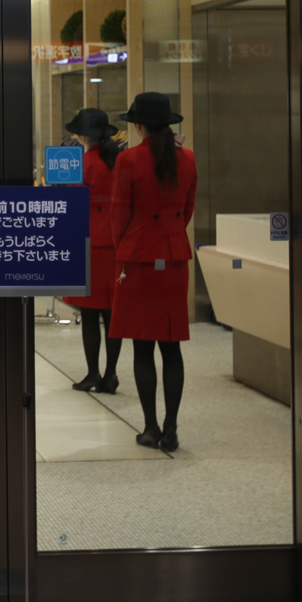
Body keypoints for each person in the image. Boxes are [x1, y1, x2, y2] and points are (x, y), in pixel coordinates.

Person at [110, 92, 197, 453]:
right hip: (174, 258)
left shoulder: (128, 160)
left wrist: (126, 248)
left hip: (140, 257)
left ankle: (149, 428)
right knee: (171, 346)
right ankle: (172, 430)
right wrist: (170, 237)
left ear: (138, 125)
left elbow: (119, 215)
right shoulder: (187, 159)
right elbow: (188, 209)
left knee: (143, 346)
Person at [60, 109, 122, 394]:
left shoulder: (83, 163)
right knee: (112, 313)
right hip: (115, 242)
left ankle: (93, 373)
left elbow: (73, 204)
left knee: (88, 314)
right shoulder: (118, 161)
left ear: (83, 135)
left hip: (89, 242)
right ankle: (111, 374)